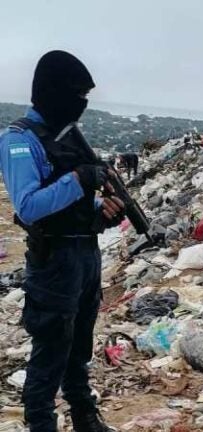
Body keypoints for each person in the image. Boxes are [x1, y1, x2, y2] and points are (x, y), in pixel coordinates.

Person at [0, 51, 125, 432]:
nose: (82, 105)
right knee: (51, 352)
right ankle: (42, 424)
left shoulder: (68, 137)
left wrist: (104, 209)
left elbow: (78, 202)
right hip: (54, 261)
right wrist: (80, 181)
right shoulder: (18, 141)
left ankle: (85, 416)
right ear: (52, 92)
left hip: (86, 254)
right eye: (76, 95)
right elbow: (29, 206)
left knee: (79, 346)